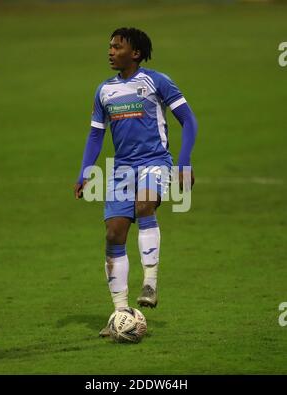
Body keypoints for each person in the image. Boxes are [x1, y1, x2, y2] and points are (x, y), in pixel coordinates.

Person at [74, 27, 197, 337]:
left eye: (117, 47)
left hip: (155, 161)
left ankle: (150, 284)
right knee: (114, 233)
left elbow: (189, 120)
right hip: (121, 169)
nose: (111, 51)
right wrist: (85, 170)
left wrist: (184, 162)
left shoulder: (157, 81)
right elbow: (95, 134)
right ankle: (120, 312)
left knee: (145, 205)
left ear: (136, 53)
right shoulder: (104, 90)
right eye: (110, 46)